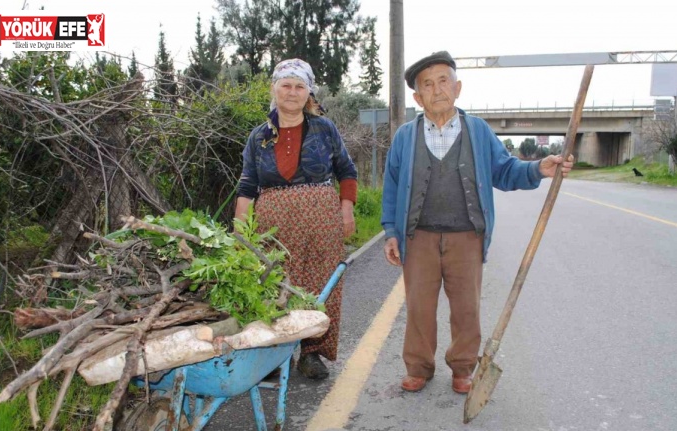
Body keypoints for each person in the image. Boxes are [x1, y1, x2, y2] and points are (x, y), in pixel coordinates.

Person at [381, 51, 574, 394]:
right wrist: (391, 232)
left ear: (458, 87)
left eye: (444, 80)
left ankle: (463, 367)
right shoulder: (405, 137)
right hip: (419, 237)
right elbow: (392, 188)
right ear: (417, 96)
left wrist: (536, 169)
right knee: (419, 308)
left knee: (466, 308)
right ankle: (419, 367)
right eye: (428, 84)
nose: (437, 89)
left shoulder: (479, 131)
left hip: (466, 236)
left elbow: (504, 170)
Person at [234, 58, 358, 379]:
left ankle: (311, 353)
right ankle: (274, 355)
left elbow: (346, 171)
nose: (292, 92)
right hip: (272, 220)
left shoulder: (324, 129)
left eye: (299, 86)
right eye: (286, 85)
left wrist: (347, 210)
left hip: (321, 217)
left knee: (320, 284)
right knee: (276, 282)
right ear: (274, 89)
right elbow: (247, 186)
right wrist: (240, 231)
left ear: (309, 92)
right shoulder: (258, 136)